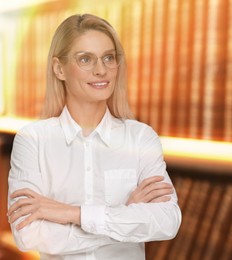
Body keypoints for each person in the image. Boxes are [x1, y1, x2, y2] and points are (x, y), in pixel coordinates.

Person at [7, 13, 181, 259]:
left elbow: (167, 221)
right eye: (85, 59)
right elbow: (27, 234)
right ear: (59, 68)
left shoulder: (141, 138)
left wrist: (71, 214)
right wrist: (122, 215)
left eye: (108, 58)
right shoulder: (33, 140)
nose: (101, 70)